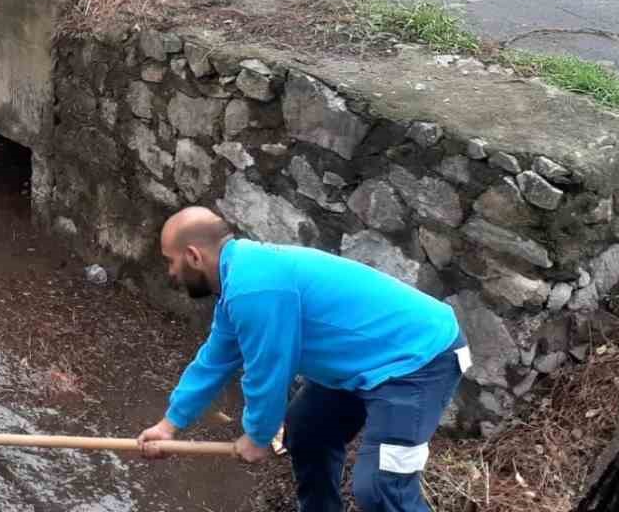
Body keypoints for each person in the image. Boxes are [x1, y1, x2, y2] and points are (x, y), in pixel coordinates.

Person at [137, 207, 469, 512]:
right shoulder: (238, 283)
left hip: (417, 360)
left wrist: (257, 436)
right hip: (362, 364)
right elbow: (214, 361)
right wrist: (169, 425)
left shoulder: (253, 287)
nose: (171, 272)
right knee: (308, 432)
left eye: (171, 261)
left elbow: (267, 369)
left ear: (193, 255)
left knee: (382, 487)